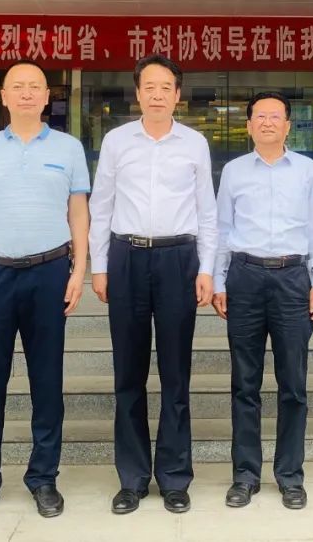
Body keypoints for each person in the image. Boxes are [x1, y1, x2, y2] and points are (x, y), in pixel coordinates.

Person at [0, 60, 90, 520]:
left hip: (50, 272)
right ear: (4, 96)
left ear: (48, 97)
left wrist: (79, 270)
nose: (27, 93)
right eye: (18, 87)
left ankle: (43, 478)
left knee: (47, 382)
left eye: (35, 87)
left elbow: (78, 212)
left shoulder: (69, 148)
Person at [88, 53, 218, 515]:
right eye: (150, 87)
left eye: (166, 87)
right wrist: (99, 266)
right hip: (126, 257)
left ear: (177, 95)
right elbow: (101, 206)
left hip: (179, 259)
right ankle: (133, 478)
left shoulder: (195, 143)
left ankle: (175, 477)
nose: (158, 95)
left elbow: (207, 210)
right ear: (138, 93)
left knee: (176, 373)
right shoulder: (117, 141)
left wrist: (207, 268)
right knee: (129, 373)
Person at [213, 92, 313, 511]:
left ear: (287, 125)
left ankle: (290, 476)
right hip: (244, 277)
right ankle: (245, 475)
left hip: (293, 278)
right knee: (244, 383)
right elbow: (222, 228)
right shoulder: (233, 171)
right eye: (259, 116)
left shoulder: (307, 170)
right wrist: (218, 280)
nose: (267, 122)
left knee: (293, 384)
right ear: (248, 125)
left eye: (275, 116)